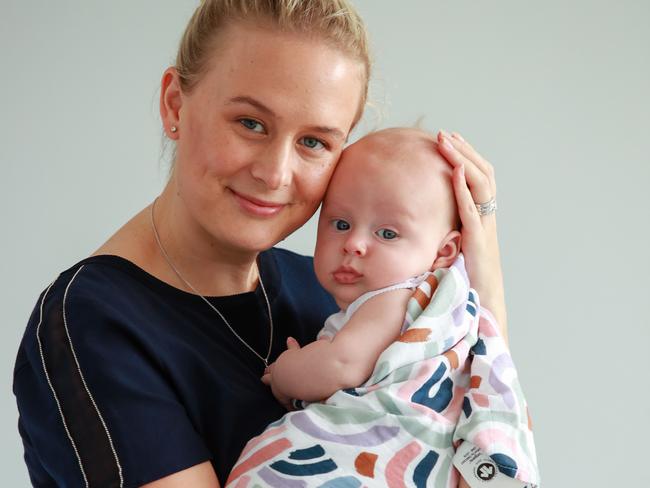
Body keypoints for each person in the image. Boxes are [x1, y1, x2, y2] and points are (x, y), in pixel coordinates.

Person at [12, 1, 510, 487]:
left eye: (313, 141)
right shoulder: (93, 323)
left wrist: (480, 267)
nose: (275, 173)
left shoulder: (328, 288)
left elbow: (482, 445)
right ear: (174, 105)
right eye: (251, 124)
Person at [225, 128, 538, 488]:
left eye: (387, 234)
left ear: (445, 252)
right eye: (340, 224)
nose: (354, 244)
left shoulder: (402, 296)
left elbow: (341, 364)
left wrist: (286, 373)